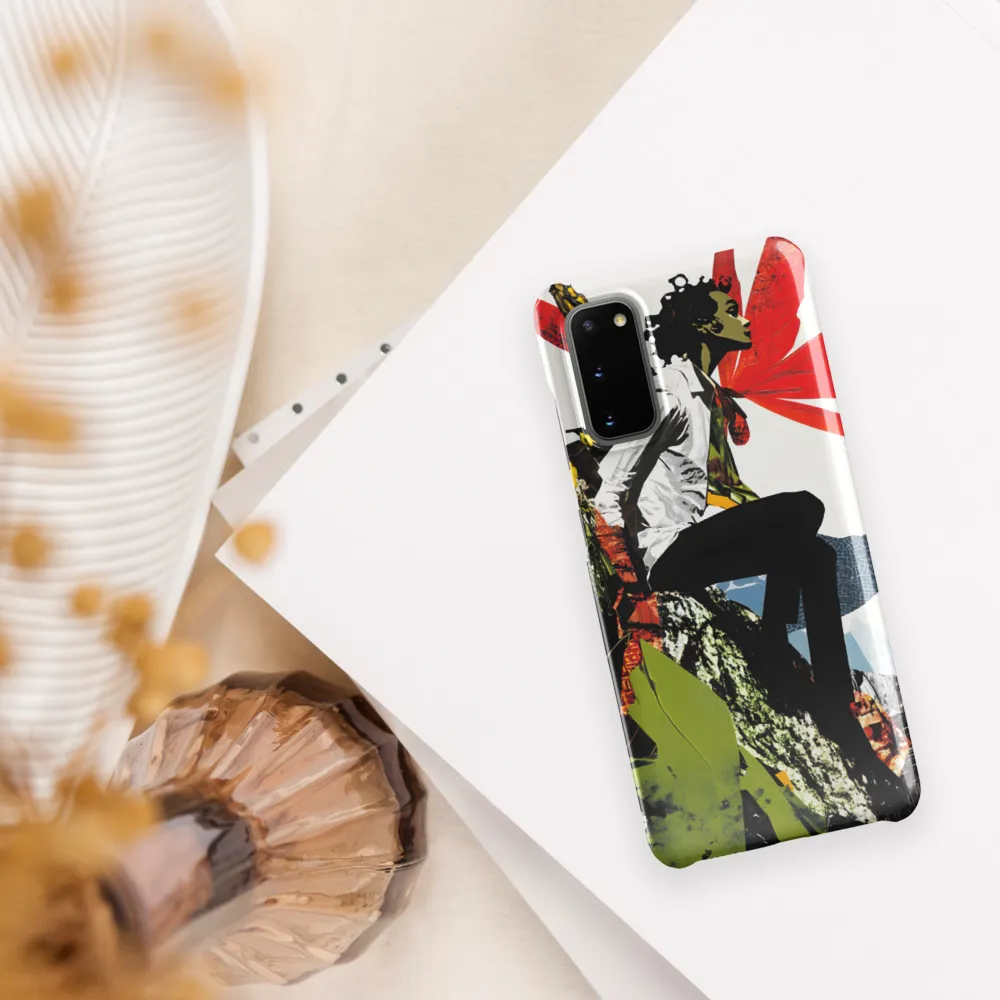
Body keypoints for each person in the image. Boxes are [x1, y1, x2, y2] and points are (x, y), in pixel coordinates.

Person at [594, 274, 855, 710]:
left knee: (817, 555)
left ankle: (836, 701)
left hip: (684, 548)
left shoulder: (706, 396)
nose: (744, 320)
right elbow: (612, 485)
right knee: (804, 507)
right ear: (706, 326)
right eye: (731, 312)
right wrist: (627, 575)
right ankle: (773, 651)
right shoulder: (671, 388)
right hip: (660, 555)